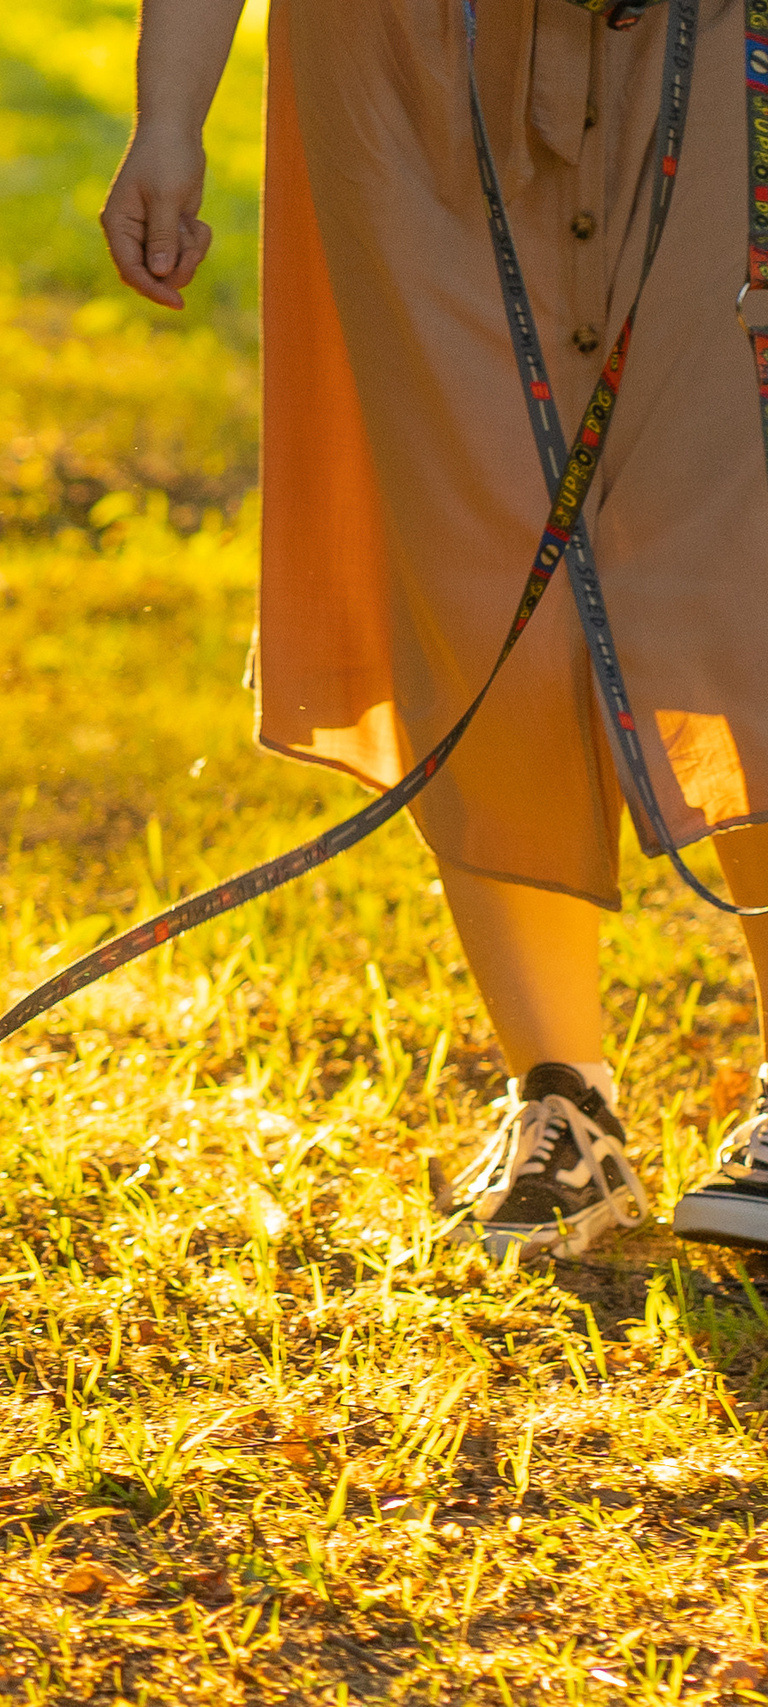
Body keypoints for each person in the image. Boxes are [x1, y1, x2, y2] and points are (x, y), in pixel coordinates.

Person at [97, 0, 768, 1256]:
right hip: (395, 69)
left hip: (714, 44)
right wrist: (167, 116)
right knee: (468, 556)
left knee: (741, 553)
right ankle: (561, 1107)